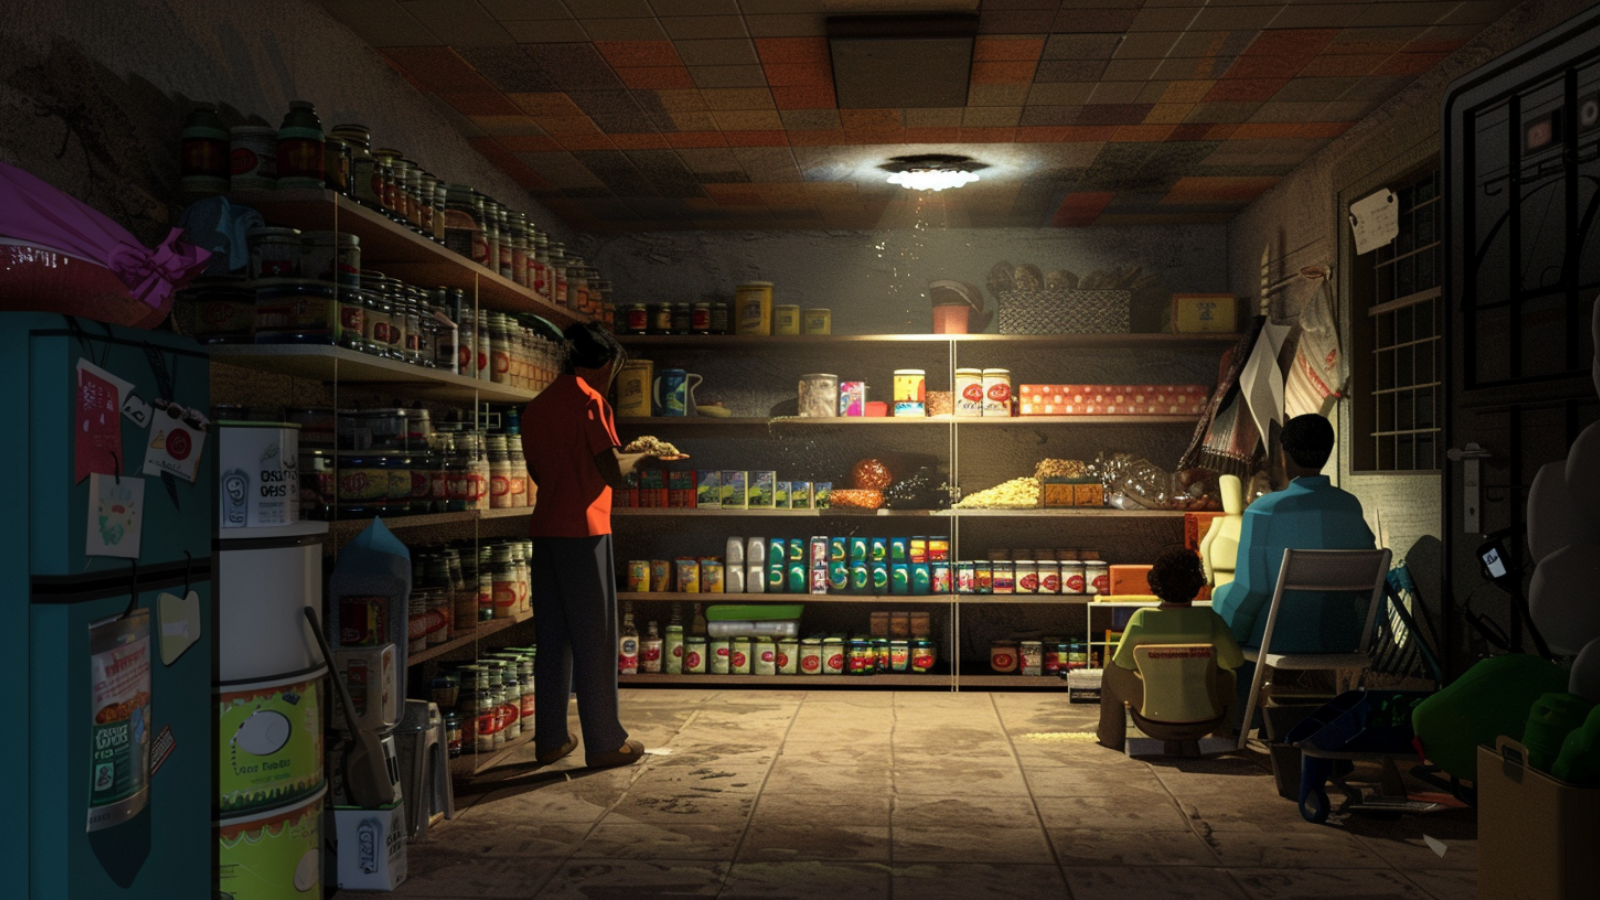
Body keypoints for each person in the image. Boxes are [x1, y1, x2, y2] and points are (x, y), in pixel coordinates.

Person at [522, 322, 653, 770]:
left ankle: (551, 739)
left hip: (546, 530)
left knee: (552, 639)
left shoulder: (536, 407)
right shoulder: (590, 402)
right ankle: (604, 741)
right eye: (612, 371)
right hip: (586, 531)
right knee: (595, 641)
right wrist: (643, 454)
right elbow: (612, 471)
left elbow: (539, 471)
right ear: (599, 366)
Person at [1211, 413, 1376, 726]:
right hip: (1341, 636)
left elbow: (1252, 589)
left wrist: (1221, 612)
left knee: (1225, 613)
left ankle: (1241, 722)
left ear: (1284, 456)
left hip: (1279, 638)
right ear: (1328, 452)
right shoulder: (1349, 506)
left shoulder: (1264, 510)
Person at [1097, 547, 1244, 750]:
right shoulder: (1210, 619)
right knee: (1230, 675)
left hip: (1151, 722)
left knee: (1111, 672)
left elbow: (1122, 664)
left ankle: (1110, 737)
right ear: (1197, 583)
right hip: (1206, 721)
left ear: (1156, 582)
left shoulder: (1141, 619)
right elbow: (1235, 661)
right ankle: (1223, 737)